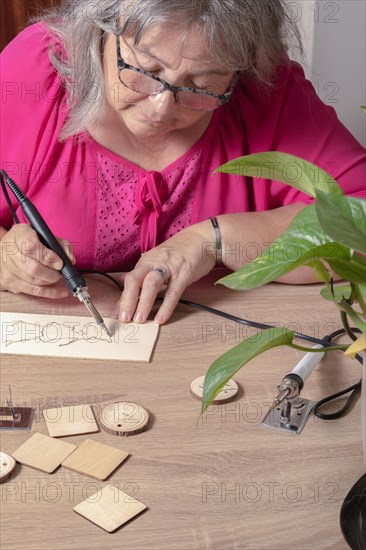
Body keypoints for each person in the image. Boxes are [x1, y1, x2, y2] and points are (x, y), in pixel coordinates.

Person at [0, 0, 365, 325]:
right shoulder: (35, 72)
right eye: (145, 70)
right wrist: (4, 258)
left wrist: (215, 240)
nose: (161, 109)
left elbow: (359, 224)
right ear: (101, 28)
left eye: (201, 85)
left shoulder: (268, 91)